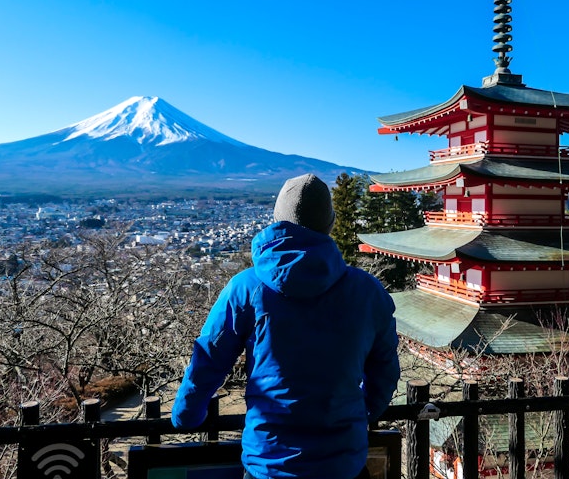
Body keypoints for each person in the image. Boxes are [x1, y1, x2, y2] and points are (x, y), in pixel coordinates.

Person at [171, 173, 400, 479]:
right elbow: (385, 367)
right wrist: (364, 410)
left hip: (269, 461)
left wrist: (187, 415)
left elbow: (209, 358)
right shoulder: (368, 291)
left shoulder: (247, 287)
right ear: (329, 224)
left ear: (276, 222)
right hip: (342, 462)